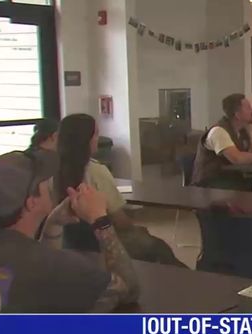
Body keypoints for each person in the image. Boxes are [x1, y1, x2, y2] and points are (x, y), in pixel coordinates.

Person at [0, 151, 170, 334]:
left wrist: (53, 224)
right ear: (31, 203)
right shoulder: (53, 267)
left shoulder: (28, 259)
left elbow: (30, 268)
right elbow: (128, 287)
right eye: (45, 184)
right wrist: (100, 220)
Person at [54, 114, 185, 267]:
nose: (98, 138)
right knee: (159, 247)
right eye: (96, 134)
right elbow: (120, 221)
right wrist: (135, 229)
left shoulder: (51, 171)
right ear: (85, 140)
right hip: (102, 243)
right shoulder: (96, 171)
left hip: (66, 244)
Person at [191, 93, 252, 190]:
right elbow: (237, 159)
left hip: (230, 180)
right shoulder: (218, 132)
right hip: (209, 184)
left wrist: (250, 129)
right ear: (237, 114)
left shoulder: (242, 131)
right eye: (248, 108)